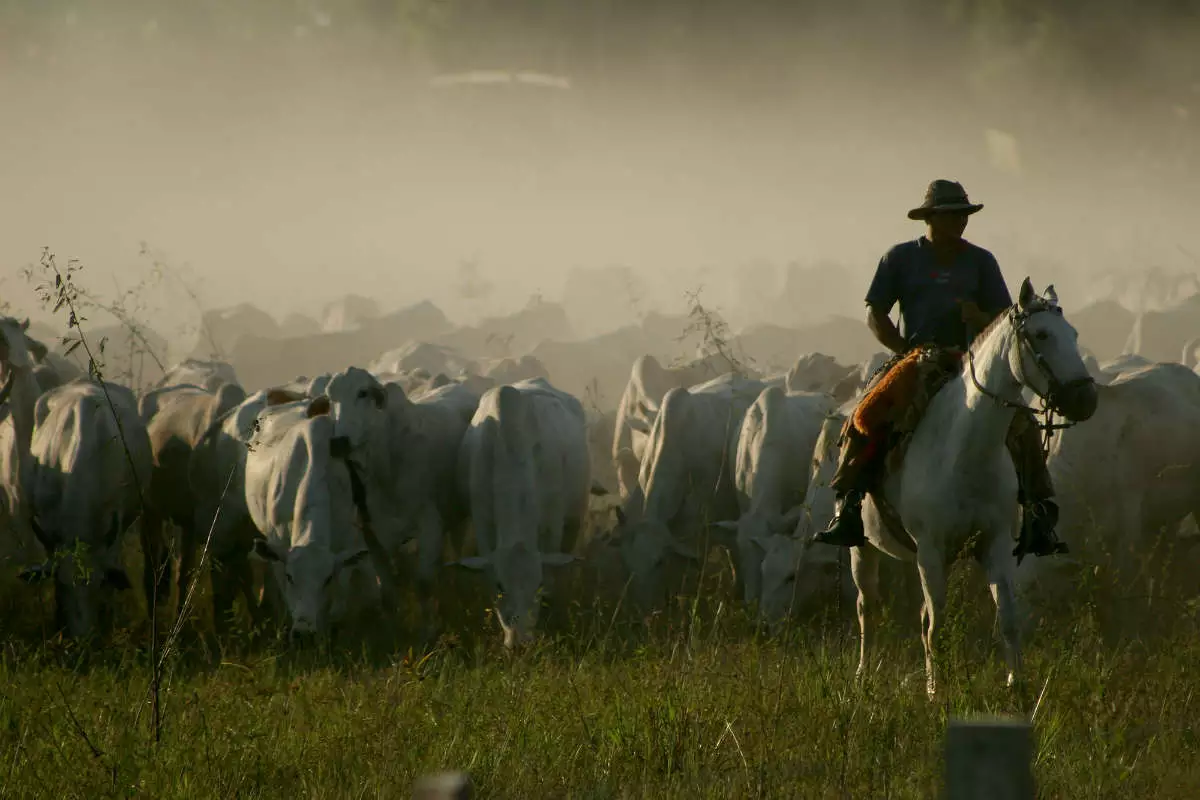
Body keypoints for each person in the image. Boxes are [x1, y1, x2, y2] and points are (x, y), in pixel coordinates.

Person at [812, 179, 1068, 559]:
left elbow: (1003, 319)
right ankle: (848, 506)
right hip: (916, 359)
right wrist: (903, 349)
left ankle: (1037, 513)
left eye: (964, 216)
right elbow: (875, 312)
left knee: (1022, 425)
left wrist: (977, 316)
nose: (960, 223)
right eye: (952, 216)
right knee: (866, 415)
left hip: (972, 363)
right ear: (931, 218)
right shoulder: (900, 258)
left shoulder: (981, 261)